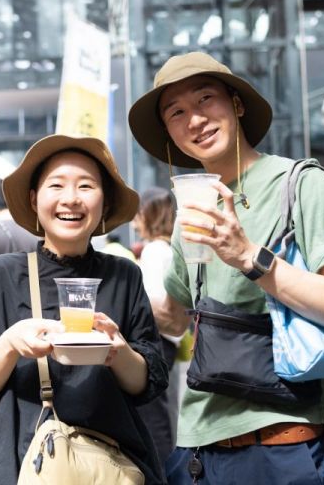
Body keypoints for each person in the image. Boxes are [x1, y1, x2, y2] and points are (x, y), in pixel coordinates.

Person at [128, 51, 324, 484]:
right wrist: (113, 300)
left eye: (206, 100)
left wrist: (250, 257)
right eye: (177, 112)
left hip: (281, 440)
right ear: (168, 132)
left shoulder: (301, 184)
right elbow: (175, 314)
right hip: (197, 449)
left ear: (237, 104)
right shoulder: (192, 212)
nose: (195, 120)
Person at [0, 134, 167, 484]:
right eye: (56, 185)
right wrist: (10, 343)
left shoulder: (123, 275)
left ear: (104, 203)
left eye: (86, 186)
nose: (71, 199)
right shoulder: (0, 275)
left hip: (107, 469)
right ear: (34, 200)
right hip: (18, 466)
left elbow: (145, 384)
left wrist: (119, 352)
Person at [133, 186, 180, 465]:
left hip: (156, 342)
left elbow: (154, 304)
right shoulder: (169, 249)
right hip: (169, 344)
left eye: (138, 215)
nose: (134, 222)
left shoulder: (153, 251)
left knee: (154, 420)